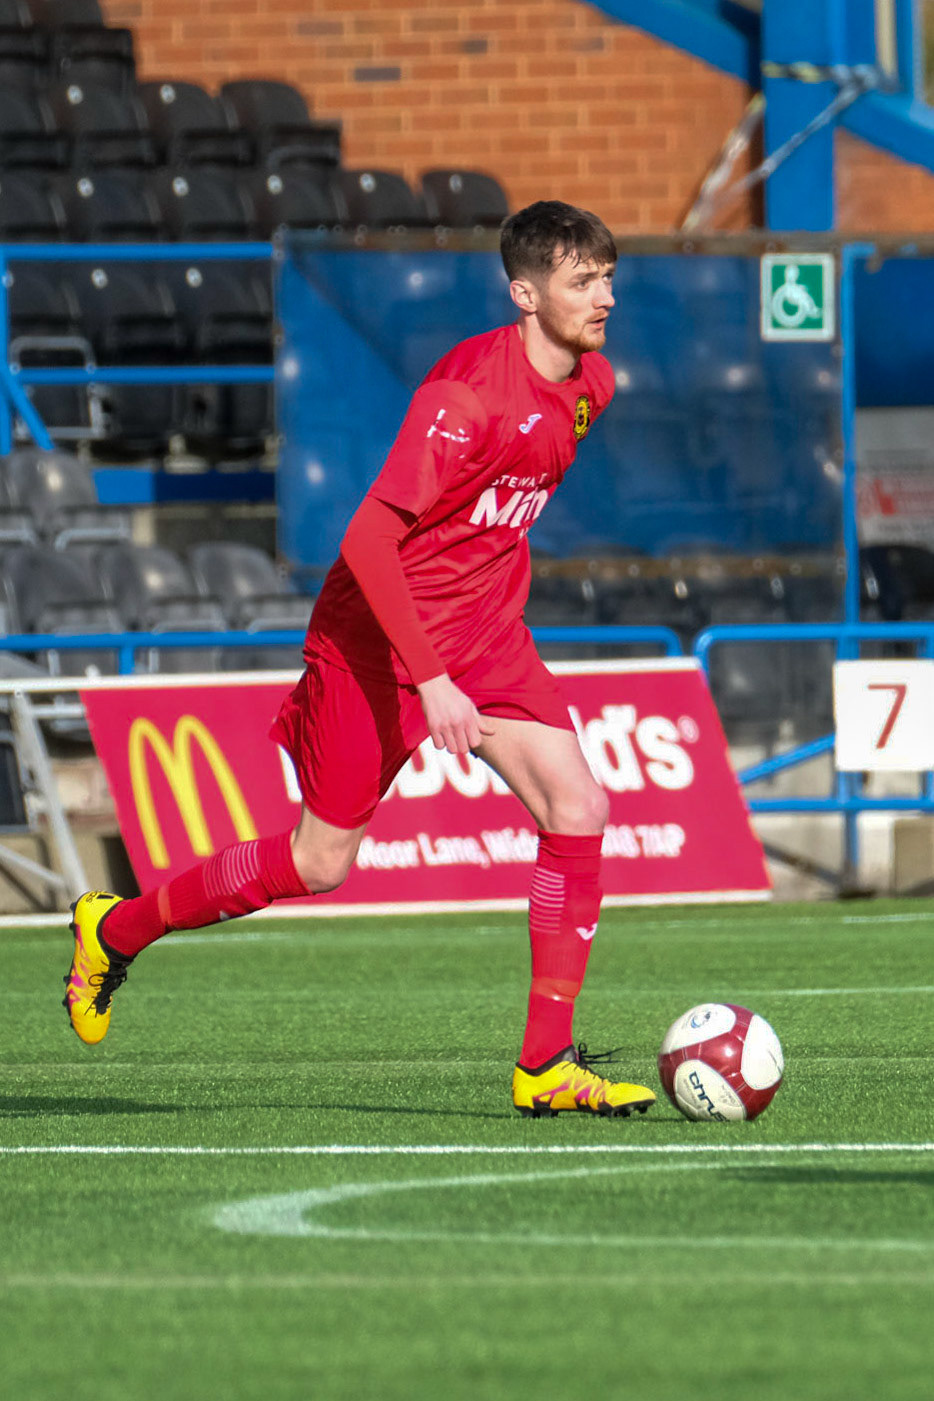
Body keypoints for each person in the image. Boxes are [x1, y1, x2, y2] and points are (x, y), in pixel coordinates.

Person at [63, 199, 656, 1120]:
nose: (605, 297)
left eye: (608, 277)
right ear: (525, 294)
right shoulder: (464, 400)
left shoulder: (593, 386)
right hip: (376, 645)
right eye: (583, 281)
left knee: (579, 807)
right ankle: (116, 928)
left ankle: (546, 1064)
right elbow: (369, 541)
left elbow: (490, 522)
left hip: (486, 638)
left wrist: (474, 632)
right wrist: (433, 678)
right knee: (319, 862)